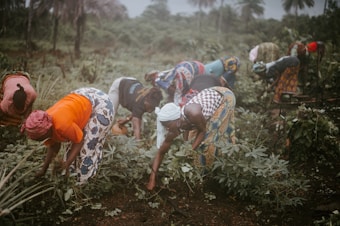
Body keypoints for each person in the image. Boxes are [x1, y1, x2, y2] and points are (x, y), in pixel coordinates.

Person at [147, 86, 236, 191]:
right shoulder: (176, 126)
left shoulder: (193, 113)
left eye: (168, 125)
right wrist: (152, 178)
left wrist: (189, 151)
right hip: (205, 103)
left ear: (177, 120)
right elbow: (161, 152)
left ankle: (213, 173)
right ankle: (201, 169)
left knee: (209, 142)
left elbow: (203, 131)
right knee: (194, 141)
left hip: (224, 96)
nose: (167, 128)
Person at [21, 87, 114, 184]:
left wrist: (67, 164)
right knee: (70, 153)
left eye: (40, 138)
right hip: (81, 98)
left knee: (88, 146)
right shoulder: (43, 122)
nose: (40, 141)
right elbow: (53, 146)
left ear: (46, 131)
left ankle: (84, 183)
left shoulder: (61, 125)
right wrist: (43, 170)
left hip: (101, 103)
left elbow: (79, 140)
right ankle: (71, 179)